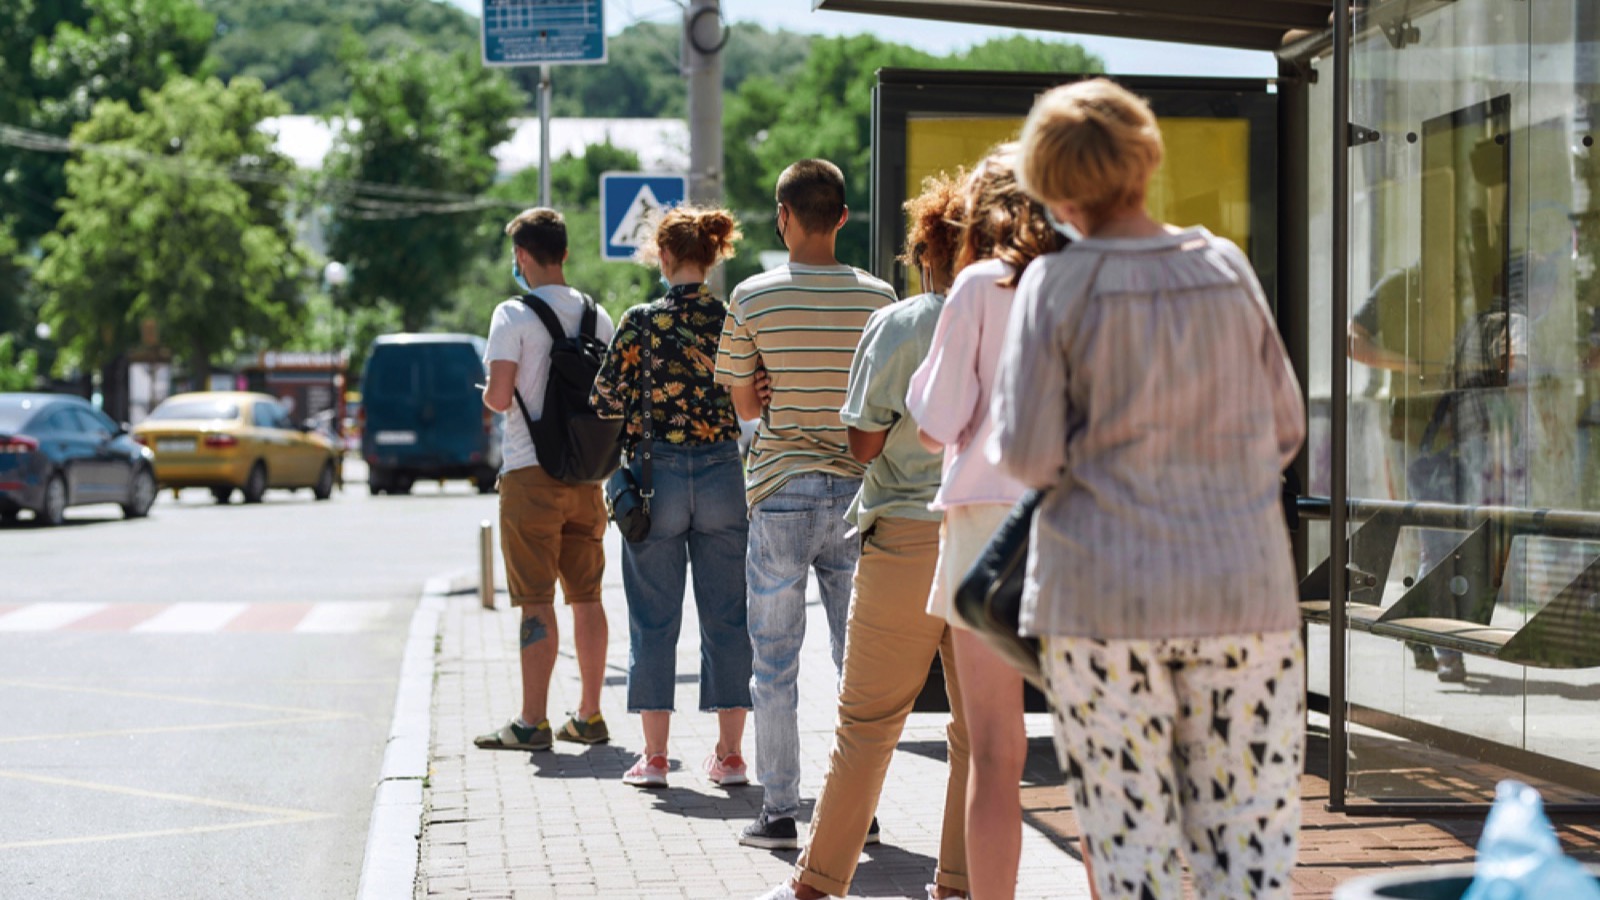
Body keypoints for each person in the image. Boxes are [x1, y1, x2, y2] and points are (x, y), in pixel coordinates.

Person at [993, 79, 1306, 900]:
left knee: (1133, 857)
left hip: (1100, 603)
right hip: (1242, 592)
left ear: (1051, 183)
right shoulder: (1224, 266)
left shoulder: (1054, 289)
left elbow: (1025, 455)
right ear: (1147, 157)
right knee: (1248, 853)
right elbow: (1286, 428)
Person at [758, 173, 971, 900]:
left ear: (924, 252)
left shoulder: (904, 323)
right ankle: (958, 883)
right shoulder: (1019, 323)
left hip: (907, 533)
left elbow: (864, 445)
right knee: (976, 734)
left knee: (868, 724)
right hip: (990, 539)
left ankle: (818, 885)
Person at [715, 159, 898, 849]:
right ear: (844, 218)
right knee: (858, 662)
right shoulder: (880, 297)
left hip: (781, 490)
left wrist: (768, 406)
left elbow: (740, 397)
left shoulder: (754, 295)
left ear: (782, 215)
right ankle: (860, 812)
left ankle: (780, 812)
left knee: (775, 662)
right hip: (858, 492)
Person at [904, 146, 1067, 900]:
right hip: (1083, 519)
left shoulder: (977, 284)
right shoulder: (1095, 278)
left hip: (984, 530)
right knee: (1095, 752)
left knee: (995, 751)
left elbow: (936, 422)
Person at [589, 206, 754, 788]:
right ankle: (730, 757)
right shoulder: (732, 317)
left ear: (663, 257)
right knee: (728, 620)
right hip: (721, 475)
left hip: (655, 478)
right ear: (710, 258)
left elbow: (605, 399)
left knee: (654, 621)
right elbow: (750, 394)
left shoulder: (641, 321)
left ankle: (655, 760)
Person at [474, 207, 613, 752]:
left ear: (523, 257)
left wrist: (487, 393)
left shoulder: (511, 315)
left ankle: (532, 722)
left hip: (531, 476)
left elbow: (500, 396)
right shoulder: (597, 316)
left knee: (537, 601)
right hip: (586, 476)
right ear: (565, 254)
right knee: (588, 597)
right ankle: (590, 715)